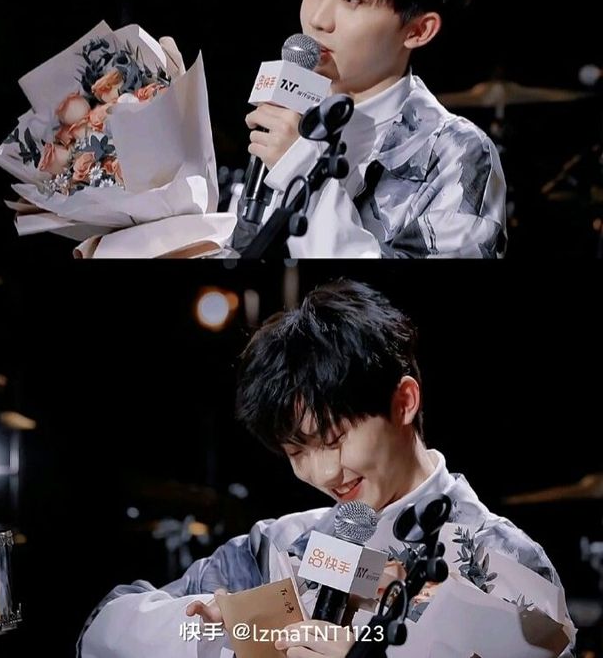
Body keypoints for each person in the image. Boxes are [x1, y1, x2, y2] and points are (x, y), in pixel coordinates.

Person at [78, 281, 575, 657]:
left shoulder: (500, 556)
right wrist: (225, 632)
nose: (322, 474)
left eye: (334, 440)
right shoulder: (282, 546)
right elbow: (101, 630)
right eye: (297, 452)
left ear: (403, 402)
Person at [231, 0, 506, 259]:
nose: (318, 19)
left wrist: (299, 166)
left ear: (418, 30)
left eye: (352, 0)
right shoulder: (294, 116)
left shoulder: (457, 151)